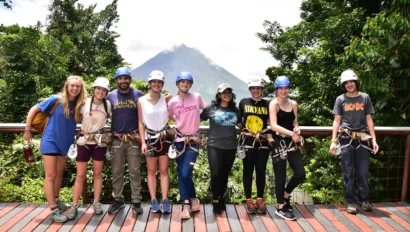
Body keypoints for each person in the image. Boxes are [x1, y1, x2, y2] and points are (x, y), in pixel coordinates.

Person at [24, 75, 87, 222]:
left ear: (81, 88)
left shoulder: (78, 104)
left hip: (65, 144)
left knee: (59, 174)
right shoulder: (56, 100)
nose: (75, 88)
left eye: (78, 86)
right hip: (50, 141)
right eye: (72, 85)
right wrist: (27, 130)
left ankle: (57, 199)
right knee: (51, 175)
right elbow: (34, 109)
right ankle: (52, 209)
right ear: (67, 86)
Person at [329, 69, 379, 214]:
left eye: (352, 82)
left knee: (363, 172)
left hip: (362, 138)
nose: (349, 84)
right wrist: (333, 140)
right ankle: (350, 201)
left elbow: (369, 119)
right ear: (343, 85)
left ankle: (363, 199)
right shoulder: (340, 99)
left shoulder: (365, 98)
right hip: (346, 138)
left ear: (356, 82)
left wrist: (374, 139)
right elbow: (336, 121)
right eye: (346, 83)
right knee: (348, 172)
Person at [66, 77, 112, 220]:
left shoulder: (108, 105)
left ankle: (96, 202)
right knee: (80, 175)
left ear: (106, 92)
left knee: (98, 174)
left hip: (99, 143)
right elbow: (72, 115)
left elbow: (116, 119)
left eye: (104, 90)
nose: (100, 92)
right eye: (98, 89)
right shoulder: (84, 103)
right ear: (94, 89)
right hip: (84, 142)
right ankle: (74, 205)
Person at [168, 71, 206, 220]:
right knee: (180, 172)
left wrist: (197, 119)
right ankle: (187, 204)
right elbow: (168, 114)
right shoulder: (172, 102)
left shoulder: (196, 97)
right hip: (179, 141)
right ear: (178, 84)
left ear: (190, 85)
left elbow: (206, 110)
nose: (185, 84)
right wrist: (177, 120)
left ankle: (193, 198)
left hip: (194, 141)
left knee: (185, 172)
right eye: (182, 82)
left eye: (187, 82)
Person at [106, 67, 144, 214]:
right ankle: (118, 200)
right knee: (117, 171)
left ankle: (136, 200)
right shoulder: (110, 96)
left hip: (134, 138)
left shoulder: (138, 95)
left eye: (126, 78)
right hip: (116, 139)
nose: (123, 81)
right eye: (120, 78)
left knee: (135, 171)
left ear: (130, 80)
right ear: (116, 80)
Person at [269, 75, 305, 221]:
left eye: (286, 88)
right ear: (277, 90)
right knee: (280, 174)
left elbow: (295, 121)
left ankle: (285, 194)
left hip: (291, 142)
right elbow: (273, 125)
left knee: (300, 173)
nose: (284, 91)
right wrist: (292, 133)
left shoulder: (293, 104)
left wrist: (297, 129)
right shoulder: (274, 104)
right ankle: (280, 207)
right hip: (279, 141)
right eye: (281, 89)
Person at [200, 83, 241, 214]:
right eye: (224, 92)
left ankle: (220, 197)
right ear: (219, 95)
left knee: (224, 175)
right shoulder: (211, 108)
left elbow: (241, 125)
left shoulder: (235, 110)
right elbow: (198, 120)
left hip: (231, 146)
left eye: (229, 92)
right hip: (214, 146)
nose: (227, 94)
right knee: (215, 174)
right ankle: (215, 200)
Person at [138, 70, 172, 213]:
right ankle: (153, 200)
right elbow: (140, 122)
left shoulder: (166, 99)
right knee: (151, 171)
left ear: (162, 84)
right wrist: (143, 142)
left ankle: (164, 199)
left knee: (164, 170)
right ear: (150, 83)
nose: (157, 84)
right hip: (150, 138)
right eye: (154, 82)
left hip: (164, 138)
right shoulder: (141, 101)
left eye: (159, 82)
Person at [239, 77, 272, 214]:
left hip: (263, 141)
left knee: (261, 170)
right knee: (247, 170)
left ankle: (259, 199)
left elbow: (271, 122)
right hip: (248, 141)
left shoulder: (267, 104)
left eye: (258, 88)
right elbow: (238, 120)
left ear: (262, 90)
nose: (256, 90)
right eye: (253, 88)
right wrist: (244, 130)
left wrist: (268, 136)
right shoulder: (243, 102)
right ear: (250, 89)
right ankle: (248, 200)